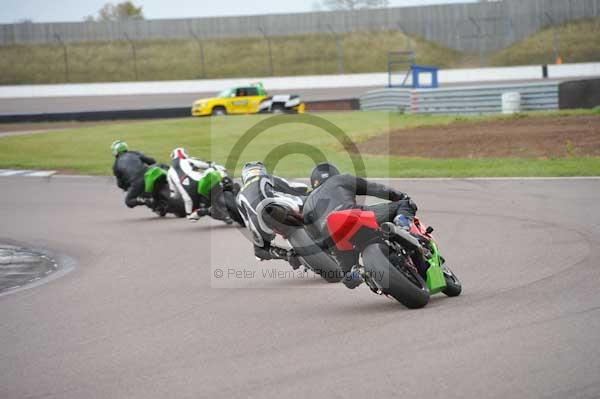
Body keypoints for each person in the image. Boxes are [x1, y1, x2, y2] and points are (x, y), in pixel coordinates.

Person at [302, 162, 418, 289]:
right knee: (405, 204)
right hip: (353, 216)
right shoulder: (339, 179)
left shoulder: (307, 204)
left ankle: (358, 274)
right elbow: (373, 188)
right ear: (334, 173)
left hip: (333, 236)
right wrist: (400, 195)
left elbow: (315, 238)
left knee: (347, 276)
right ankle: (402, 227)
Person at [236, 161, 308, 267]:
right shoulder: (267, 177)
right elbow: (291, 188)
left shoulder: (239, 196)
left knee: (260, 252)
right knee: (308, 200)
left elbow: (247, 223)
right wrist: (306, 192)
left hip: (258, 222)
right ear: (262, 171)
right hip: (278, 205)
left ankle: (286, 255)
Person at [167, 147, 232, 224]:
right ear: (185, 154)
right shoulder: (188, 160)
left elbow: (174, 194)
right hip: (200, 183)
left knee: (191, 216)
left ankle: (204, 211)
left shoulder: (169, 172)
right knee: (214, 170)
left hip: (190, 199)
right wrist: (213, 165)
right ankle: (227, 184)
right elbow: (207, 165)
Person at [111, 140, 157, 208]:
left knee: (128, 201)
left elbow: (120, 183)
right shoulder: (134, 153)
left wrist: (126, 187)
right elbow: (151, 161)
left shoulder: (115, 165)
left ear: (115, 151)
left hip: (137, 183)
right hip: (148, 173)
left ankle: (143, 200)